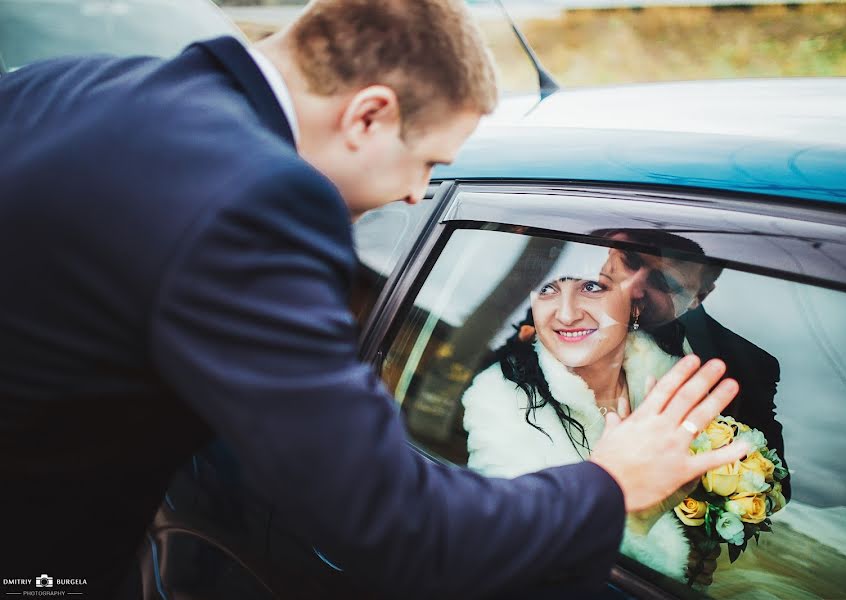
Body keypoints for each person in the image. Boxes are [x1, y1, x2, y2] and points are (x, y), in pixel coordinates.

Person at [0, 1, 748, 598]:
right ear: (369, 115)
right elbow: (394, 528)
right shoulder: (259, 204)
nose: (420, 191)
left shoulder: (60, 84)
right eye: (429, 160)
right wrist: (609, 484)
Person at [462, 244, 696, 581]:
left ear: (634, 305)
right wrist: (635, 521)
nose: (567, 314)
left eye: (591, 287)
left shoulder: (673, 380)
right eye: (548, 289)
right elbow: (519, 553)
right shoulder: (497, 398)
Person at [599, 230, 789, 500]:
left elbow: (773, 483)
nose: (631, 287)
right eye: (629, 260)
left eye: (663, 282)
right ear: (610, 249)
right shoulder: (551, 308)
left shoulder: (746, 366)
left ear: (699, 296)